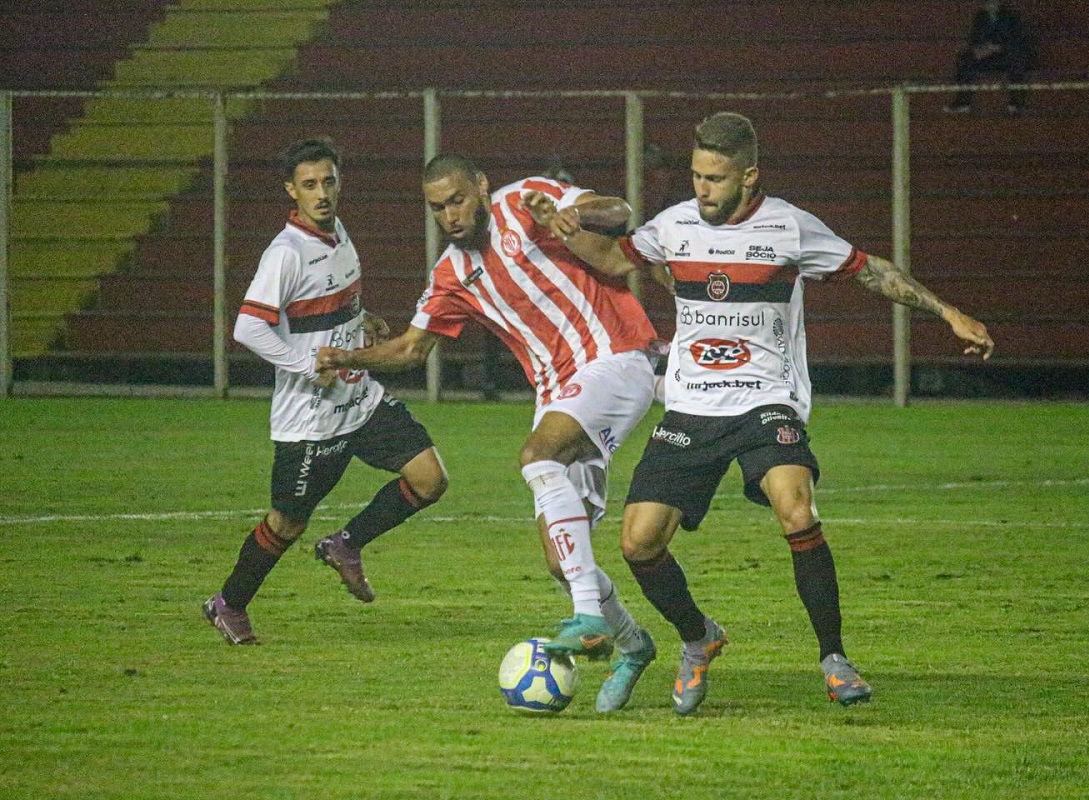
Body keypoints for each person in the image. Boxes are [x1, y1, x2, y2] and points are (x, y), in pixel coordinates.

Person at [523, 111, 995, 715]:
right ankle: (698, 638)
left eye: (715, 179)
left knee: (795, 509)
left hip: (766, 399)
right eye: (696, 176)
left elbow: (871, 271)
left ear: (749, 175)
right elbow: (614, 260)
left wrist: (948, 312)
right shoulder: (674, 225)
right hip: (691, 405)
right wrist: (561, 231)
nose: (702, 189)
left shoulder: (791, 228)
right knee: (638, 545)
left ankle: (833, 657)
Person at [318, 154, 662, 712]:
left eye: (457, 199)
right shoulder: (452, 274)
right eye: (437, 208)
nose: (450, 215)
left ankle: (589, 620)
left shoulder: (524, 203)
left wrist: (573, 217)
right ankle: (632, 644)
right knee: (563, 560)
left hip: (616, 356)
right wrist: (349, 357)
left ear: (480, 187)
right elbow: (411, 348)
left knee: (536, 456)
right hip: (560, 394)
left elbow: (618, 211)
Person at [203, 138, 448, 645]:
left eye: (329, 182)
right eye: (310, 185)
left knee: (429, 479)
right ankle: (228, 603)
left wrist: (365, 320)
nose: (322, 193)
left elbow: (335, 304)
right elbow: (248, 328)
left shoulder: (338, 233)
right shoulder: (286, 253)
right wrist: (306, 364)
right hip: (311, 419)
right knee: (286, 523)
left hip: (360, 398)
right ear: (292, 190)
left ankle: (346, 544)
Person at [944, 1, 1034, 113]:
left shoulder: (1011, 16)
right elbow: (974, 39)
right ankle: (963, 101)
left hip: (1006, 55)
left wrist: (998, 47)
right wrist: (981, 49)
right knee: (965, 59)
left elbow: (1018, 40)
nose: (990, 4)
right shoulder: (980, 16)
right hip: (987, 55)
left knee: (1016, 60)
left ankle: (1016, 102)